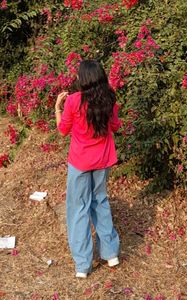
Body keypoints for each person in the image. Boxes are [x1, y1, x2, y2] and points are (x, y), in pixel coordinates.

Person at [55, 60, 121, 278]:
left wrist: (57, 108)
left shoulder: (73, 101)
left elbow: (63, 130)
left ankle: (83, 265)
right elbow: (115, 126)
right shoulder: (109, 99)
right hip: (102, 160)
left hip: (80, 162)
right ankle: (111, 254)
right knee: (99, 201)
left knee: (78, 208)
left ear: (82, 79)